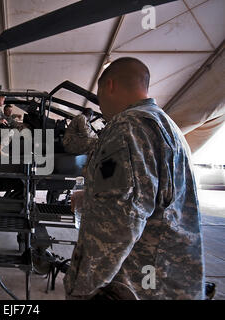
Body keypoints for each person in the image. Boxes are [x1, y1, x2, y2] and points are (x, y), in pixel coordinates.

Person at [63, 57, 205, 299]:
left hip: (134, 286)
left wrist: (82, 288)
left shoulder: (128, 127)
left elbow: (118, 223)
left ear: (109, 85)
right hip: (166, 281)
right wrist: (93, 196)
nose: (100, 106)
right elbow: (148, 196)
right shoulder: (163, 124)